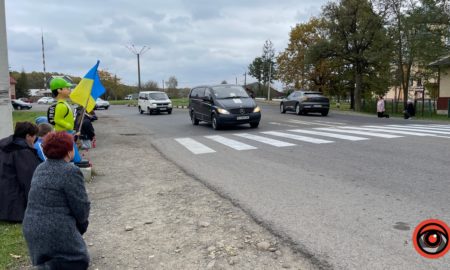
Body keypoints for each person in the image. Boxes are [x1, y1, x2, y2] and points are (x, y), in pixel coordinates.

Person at [23, 132, 91, 270]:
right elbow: (81, 208)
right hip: (55, 229)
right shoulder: (70, 170)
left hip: (31, 227)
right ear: (68, 150)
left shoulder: (40, 168)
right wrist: (80, 226)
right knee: (78, 260)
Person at [0, 122, 41, 222]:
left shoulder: (4, 145)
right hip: (13, 207)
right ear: (28, 136)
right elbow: (30, 180)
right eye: (34, 136)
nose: (34, 140)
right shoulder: (23, 152)